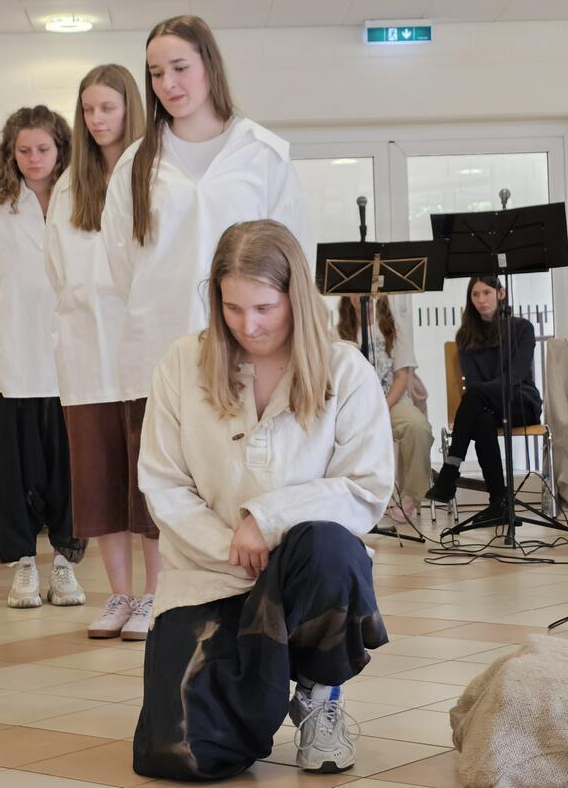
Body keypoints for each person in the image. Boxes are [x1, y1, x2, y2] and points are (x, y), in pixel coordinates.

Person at [133, 220, 393, 781]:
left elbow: (365, 488)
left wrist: (267, 521)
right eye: (232, 308)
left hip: (306, 575)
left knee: (329, 548)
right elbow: (162, 482)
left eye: (264, 308)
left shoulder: (345, 369)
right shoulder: (182, 362)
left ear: (294, 297)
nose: (247, 325)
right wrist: (233, 543)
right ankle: (256, 697)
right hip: (210, 572)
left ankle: (320, 695)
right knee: (180, 758)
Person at [102, 14, 313, 478]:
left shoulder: (261, 152)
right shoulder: (136, 163)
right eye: (156, 74)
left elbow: (294, 258)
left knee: (247, 481)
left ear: (209, 66)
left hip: (249, 348)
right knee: (164, 493)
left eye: (180, 67)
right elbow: (121, 267)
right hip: (160, 342)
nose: (168, 84)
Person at [45, 65, 160, 639]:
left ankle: (155, 598)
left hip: (143, 351)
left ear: (130, 109)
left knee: (150, 484)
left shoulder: (152, 173)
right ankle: (120, 594)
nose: (96, 120)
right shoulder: (70, 183)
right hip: (86, 355)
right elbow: (56, 268)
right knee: (99, 481)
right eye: (88, 110)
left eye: (107, 108)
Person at [0, 105, 87, 609]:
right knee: (10, 472)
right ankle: (23, 565)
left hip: (70, 364)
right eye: (24, 150)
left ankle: (64, 562)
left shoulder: (83, 200)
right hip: (6, 361)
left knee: (69, 469)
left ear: (61, 150)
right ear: (10, 154)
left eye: (43, 149)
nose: (34, 158)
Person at [425, 275, 543, 526]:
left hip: (520, 401)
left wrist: (482, 394)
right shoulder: (466, 337)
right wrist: (482, 396)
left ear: (501, 293)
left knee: (476, 397)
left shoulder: (522, 328)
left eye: (487, 292)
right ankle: (499, 503)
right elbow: (476, 381)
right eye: (475, 294)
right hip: (485, 406)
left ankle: (449, 472)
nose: (481, 299)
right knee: (480, 421)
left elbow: (515, 375)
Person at [337, 294, 434, 525]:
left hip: (393, 403)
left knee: (418, 427)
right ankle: (348, 501)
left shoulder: (394, 330)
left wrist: (380, 407)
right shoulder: (337, 335)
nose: (365, 295)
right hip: (354, 409)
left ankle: (411, 494)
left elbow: (402, 376)